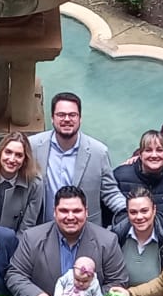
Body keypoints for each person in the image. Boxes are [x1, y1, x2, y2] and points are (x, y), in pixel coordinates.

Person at [28, 93, 120, 225]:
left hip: (85, 231)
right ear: (52, 118)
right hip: (43, 230)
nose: (67, 119)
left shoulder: (98, 152)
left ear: (80, 118)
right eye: (61, 115)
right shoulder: (33, 146)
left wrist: (131, 211)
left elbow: (110, 192)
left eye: (72, 115)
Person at [0, 130, 47, 233]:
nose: (11, 159)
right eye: (8, 152)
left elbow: (27, 226)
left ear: (25, 159)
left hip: (14, 243)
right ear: (0, 153)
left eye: (19, 155)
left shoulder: (34, 184)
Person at [111, 186, 163, 288]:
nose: (139, 217)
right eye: (133, 212)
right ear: (127, 212)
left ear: (154, 210)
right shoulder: (114, 237)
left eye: (144, 211)